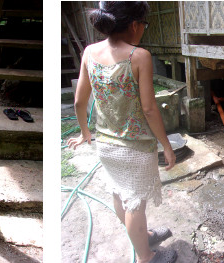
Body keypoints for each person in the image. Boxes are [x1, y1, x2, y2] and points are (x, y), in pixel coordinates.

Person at [66, 2, 177, 262]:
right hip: (135, 148)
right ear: (134, 25)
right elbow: (149, 109)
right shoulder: (139, 56)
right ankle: (145, 256)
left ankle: (143, 235)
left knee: (120, 195)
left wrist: (85, 133)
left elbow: (79, 102)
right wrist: (167, 145)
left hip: (105, 144)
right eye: (144, 25)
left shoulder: (90, 52)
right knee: (135, 203)